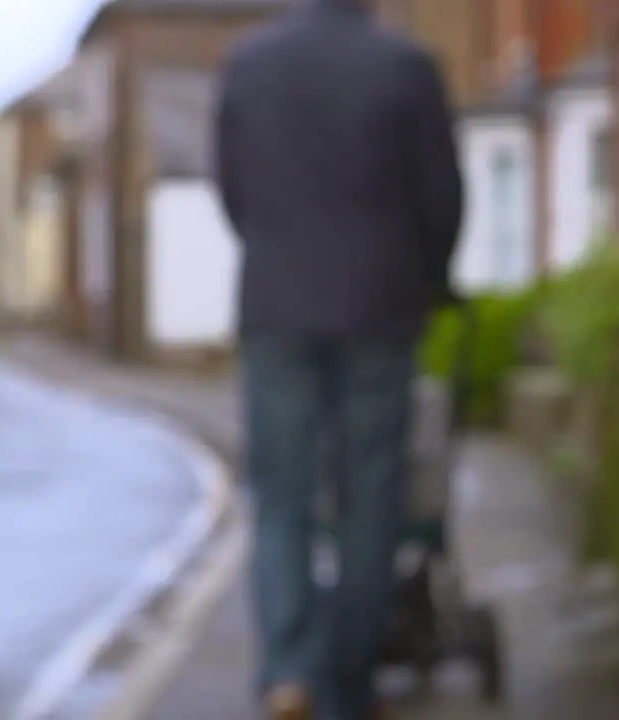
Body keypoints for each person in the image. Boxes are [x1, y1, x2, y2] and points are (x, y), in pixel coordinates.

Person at [212, 0, 464, 717]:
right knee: (371, 497)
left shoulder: (248, 63)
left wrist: (278, 252)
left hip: (277, 309)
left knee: (283, 496)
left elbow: (232, 189)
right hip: (379, 307)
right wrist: (431, 276)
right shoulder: (407, 67)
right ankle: (348, 680)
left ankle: (290, 670)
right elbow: (440, 194)